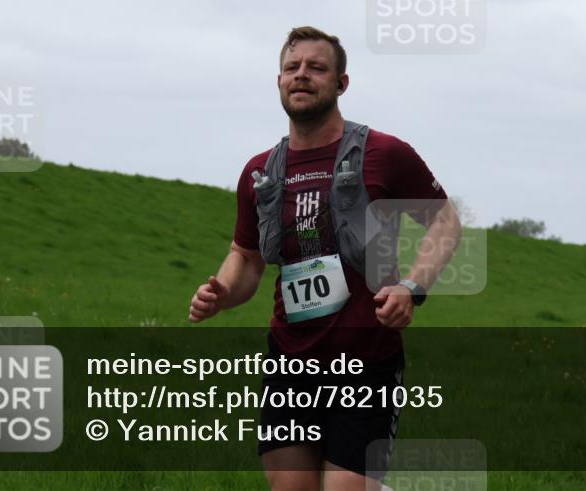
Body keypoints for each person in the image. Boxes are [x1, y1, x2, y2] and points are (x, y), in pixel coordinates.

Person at [189, 26, 462, 491]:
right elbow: (246, 258)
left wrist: (412, 287)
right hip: (290, 363)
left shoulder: (384, 153)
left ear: (341, 83)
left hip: (366, 361)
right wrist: (221, 294)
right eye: (292, 68)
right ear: (279, 81)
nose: (302, 75)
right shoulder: (259, 172)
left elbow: (445, 222)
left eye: (316, 68)